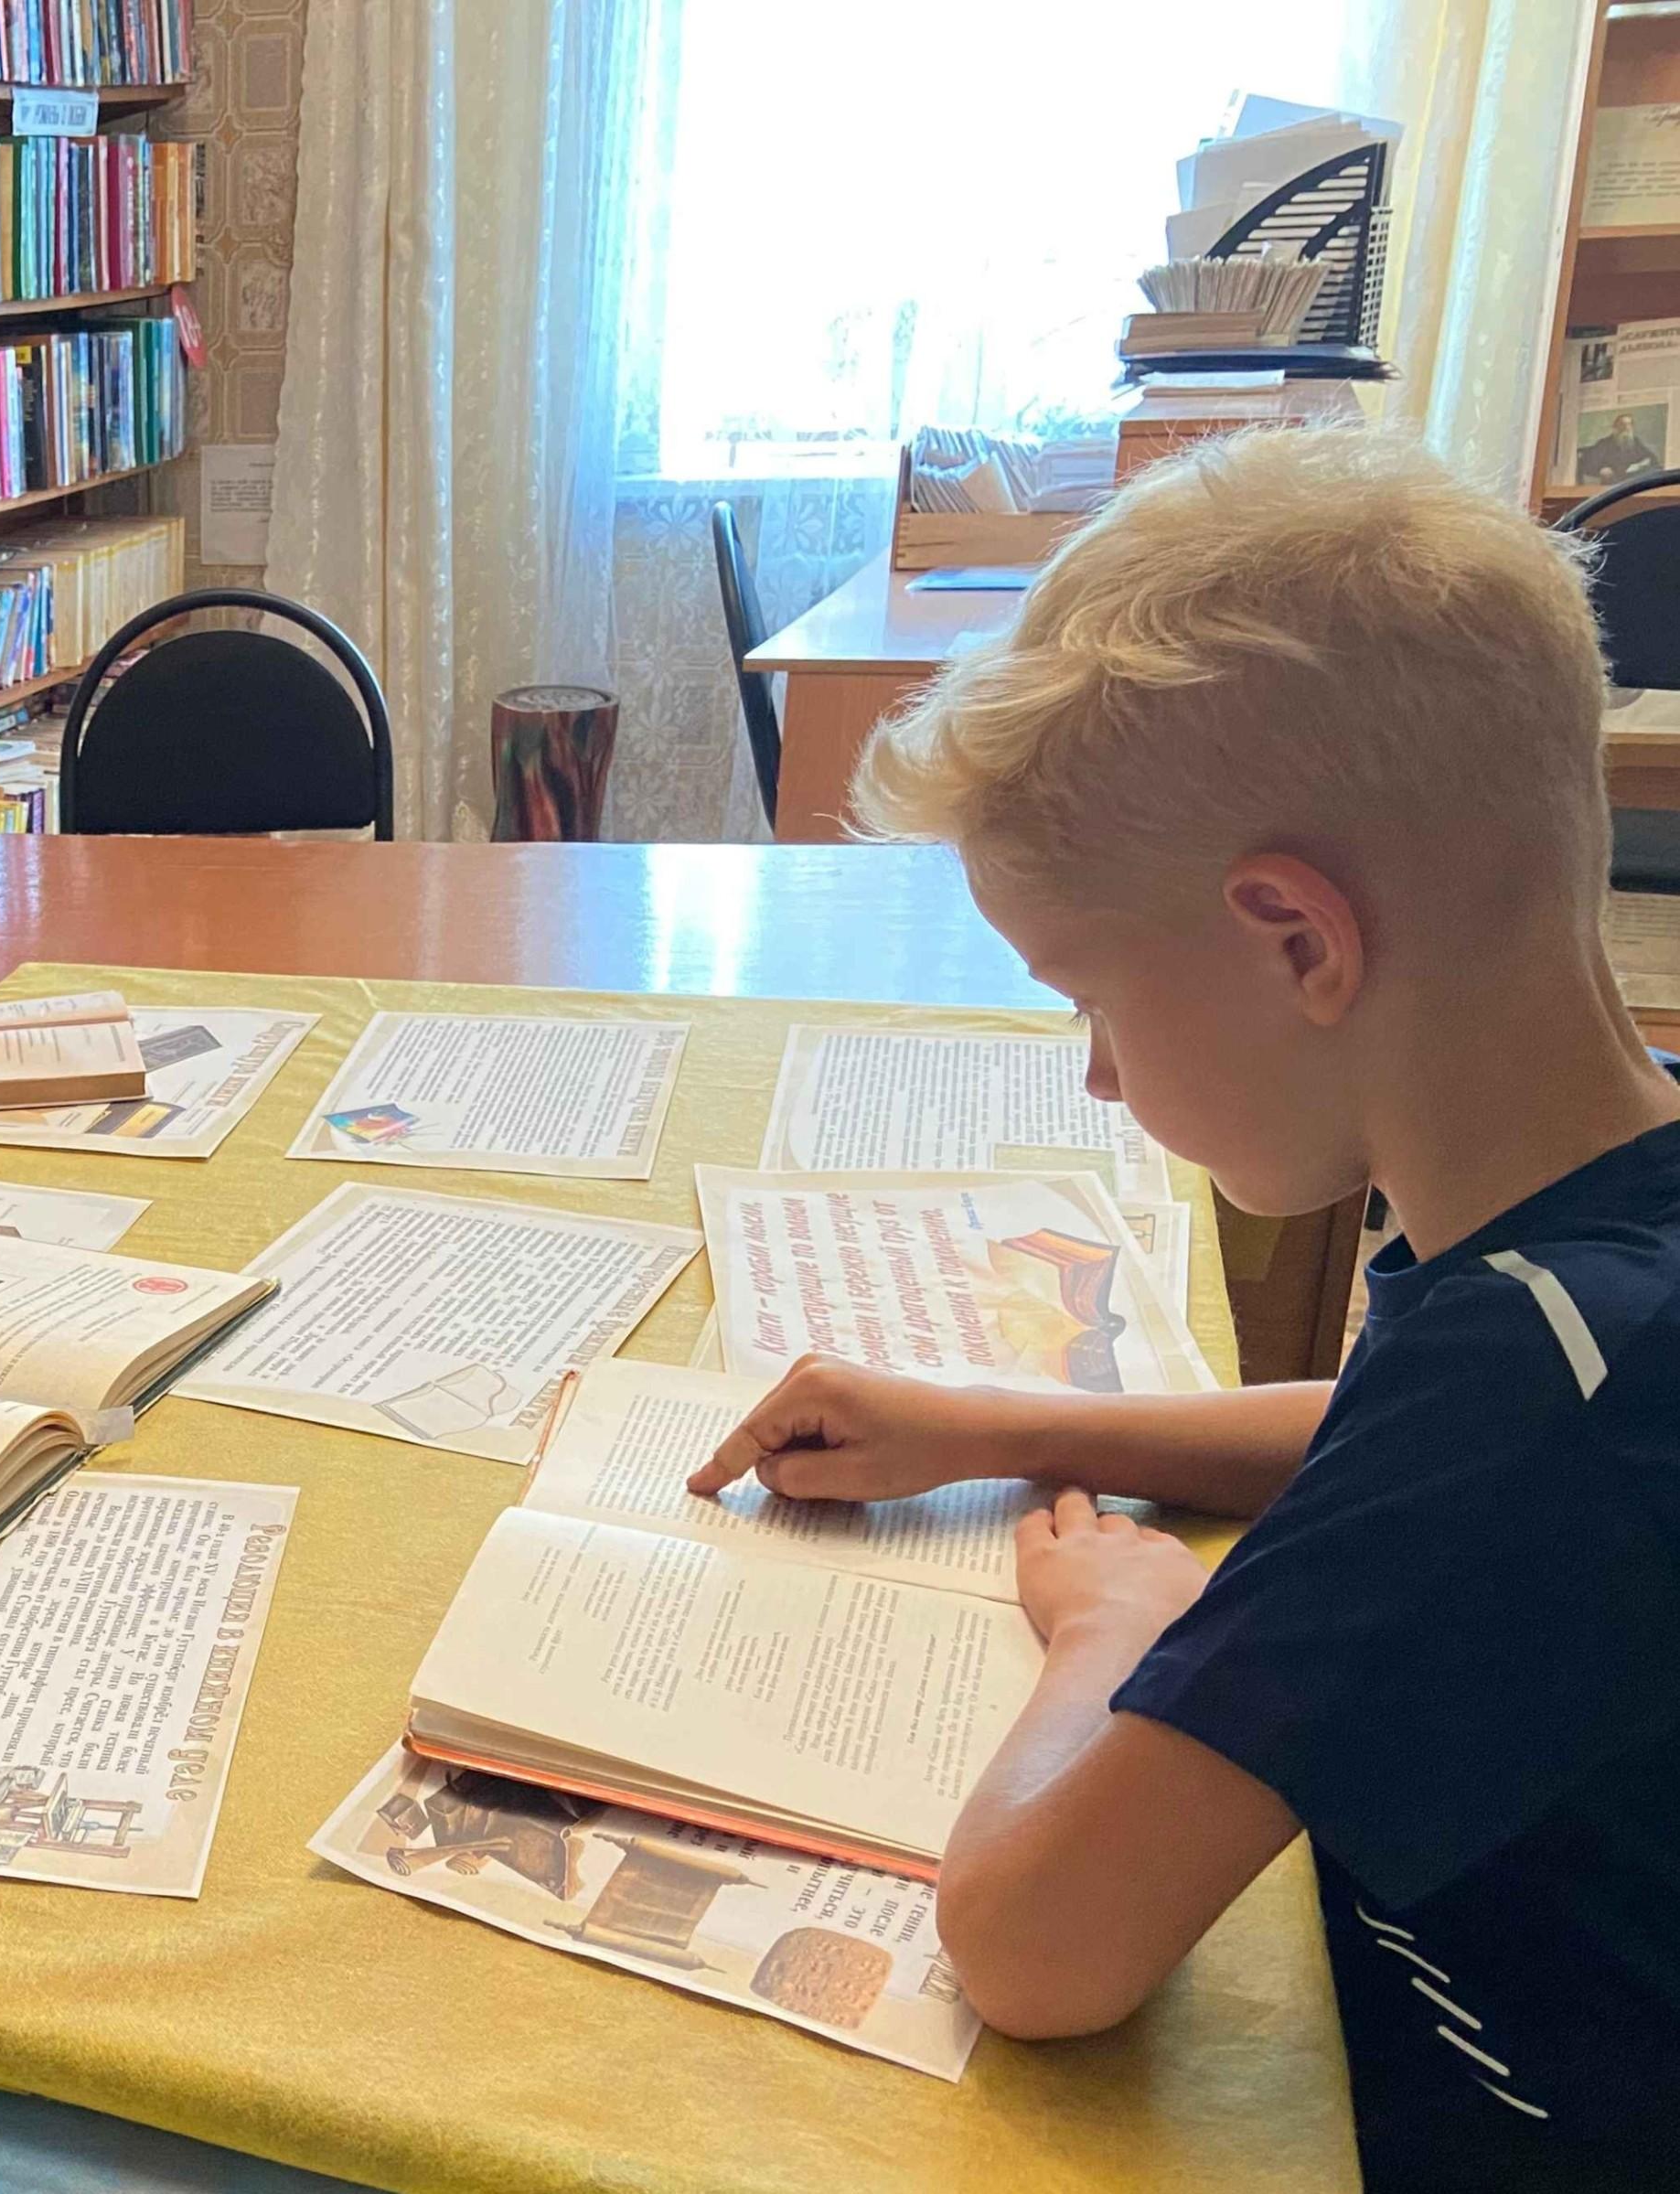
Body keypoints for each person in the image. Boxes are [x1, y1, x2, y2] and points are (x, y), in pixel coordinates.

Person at [690, 428, 1679, 2190]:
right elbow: (1375, 1425)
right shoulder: (1583, 1242)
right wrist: (1007, 1421)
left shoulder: (1525, 1392)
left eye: (1090, 999)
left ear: (1291, 939)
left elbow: (1032, 1943)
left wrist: (1119, 1627)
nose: (1088, 1074)